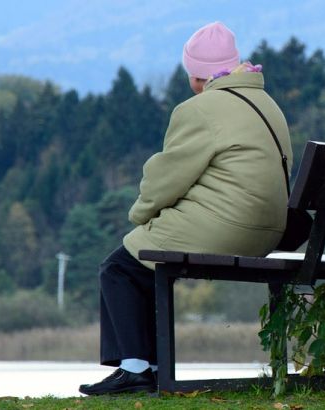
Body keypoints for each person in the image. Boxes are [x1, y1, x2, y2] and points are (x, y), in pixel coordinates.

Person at [79, 21, 292, 395]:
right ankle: (153, 367)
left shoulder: (201, 109)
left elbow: (167, 178)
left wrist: (141, 216)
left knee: (120, 265)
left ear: (196, 76)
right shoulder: (267, 104)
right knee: (144, 266)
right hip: (268, 232)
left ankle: (135, 369)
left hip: (225, 227)